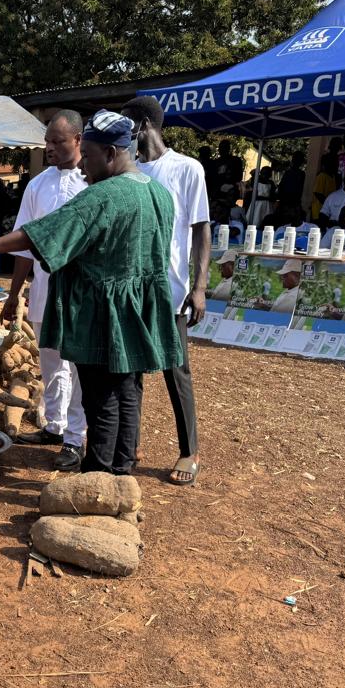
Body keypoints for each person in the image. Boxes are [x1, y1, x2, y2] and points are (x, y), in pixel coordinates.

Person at [0, 110, 182, 476]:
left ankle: (98, 476)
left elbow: (41, 234)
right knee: (128, 391)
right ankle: (121, 469)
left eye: (87, 155)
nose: (82, 166)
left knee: (101, 397)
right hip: (140, 308)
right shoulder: (158, 193)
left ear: (111, 153)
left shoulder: (104, 195)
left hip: (104, 312)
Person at [121, 95, 210, 486]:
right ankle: (131, 442)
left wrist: (200, 285)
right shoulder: (130, 171)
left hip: (171, 290)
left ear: (141, 126)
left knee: (177, 372)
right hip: (132, 288)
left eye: (127, 126)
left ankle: (188, 451)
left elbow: (201, 228)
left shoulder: (187, 169)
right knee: (132, 371)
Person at [2, 110, 89, 470]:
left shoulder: (94, 183)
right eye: (47, 142)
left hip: (83, 290)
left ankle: (75, 438)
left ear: (78, 141)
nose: (50, 148)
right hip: (45, 288)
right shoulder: (37, 185)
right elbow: (24, 243)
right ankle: (54, 425)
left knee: (80, 367)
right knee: (50, 361)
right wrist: (13, 294)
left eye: (58, 141)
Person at [310, 153, 338, 222]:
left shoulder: (333, 177)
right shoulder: (322, 176)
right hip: (318, 211)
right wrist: (329, 205)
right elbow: (318, 193)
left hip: (327, 211)